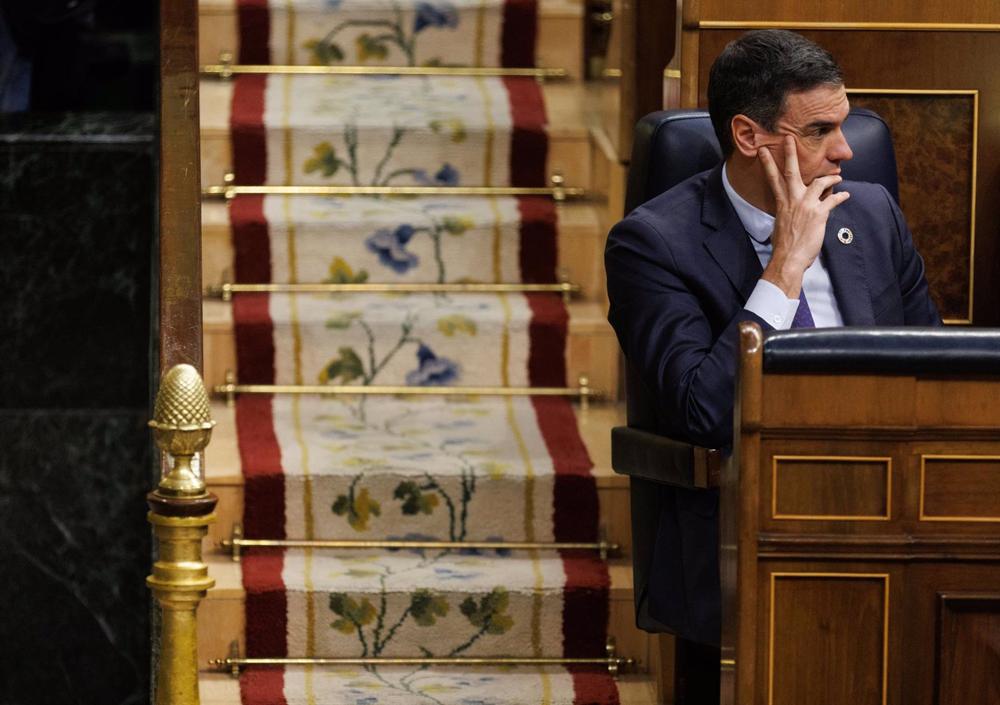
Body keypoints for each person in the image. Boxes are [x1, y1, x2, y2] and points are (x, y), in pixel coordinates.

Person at [604, 28, 941, 694]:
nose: (846, 151)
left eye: (844, 127)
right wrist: (784, 267)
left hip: (895, 503)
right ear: (750, 136)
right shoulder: (651, 245)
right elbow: (703, 407)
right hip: (746, 517)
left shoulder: (871, 213)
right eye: (819, 131)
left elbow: (933, 369)